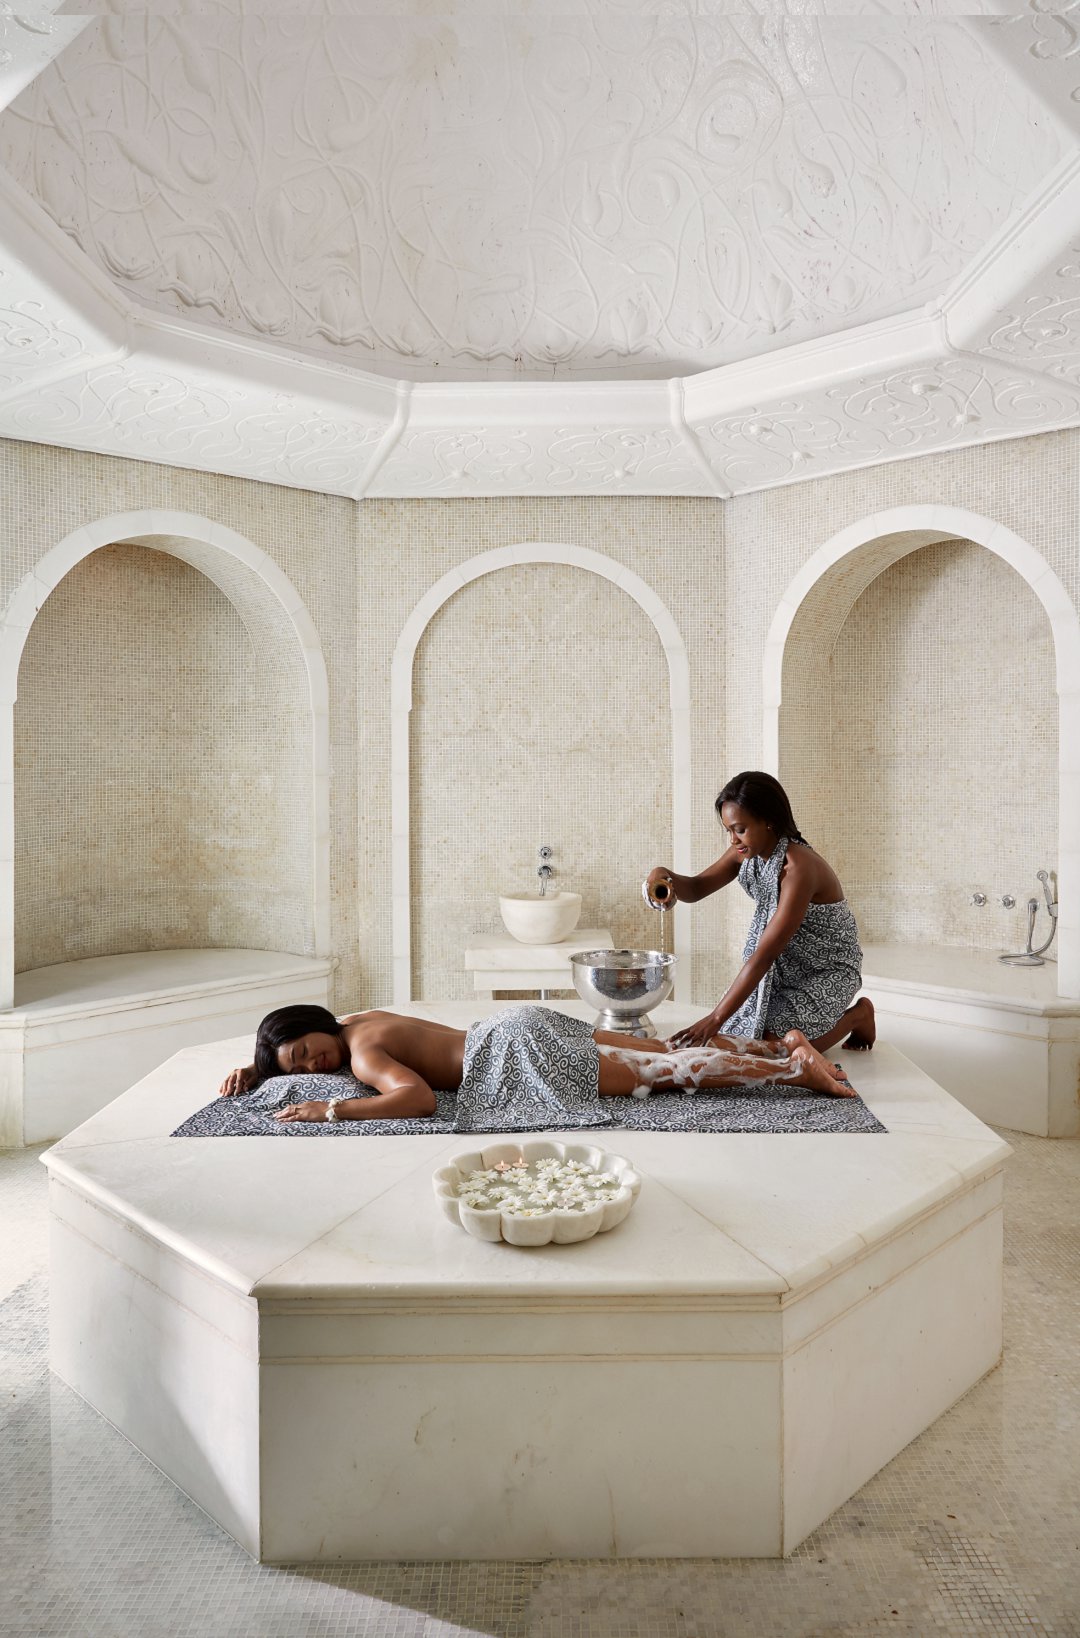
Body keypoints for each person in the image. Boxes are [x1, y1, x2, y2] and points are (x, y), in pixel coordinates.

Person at [216, 1000, 857, 1128]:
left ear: (310, 1028)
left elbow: (416, 1099)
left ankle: (793, 1074)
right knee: (662, 1050)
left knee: (660, 1075)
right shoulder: (356, 1019)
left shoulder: (362, 1054)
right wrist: (259, 1069)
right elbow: (286, 1045)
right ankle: (782, 1046)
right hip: (515, 1025)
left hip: (511, 1056)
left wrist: (332, 1108)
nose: (315, 1062)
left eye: (305, 1051)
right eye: (302, 1066)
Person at [646, 770, 875, 1053]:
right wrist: (662, 874)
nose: (733, 840)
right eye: (729, 830)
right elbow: (695, 888)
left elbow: (765, 954)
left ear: (769, 821)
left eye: (740, 829)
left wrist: (715, 1018)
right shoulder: (746, 852)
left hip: (826, 970)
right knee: (741, 1038)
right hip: (785, 970)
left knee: (781, 1048)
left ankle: (858, 1016)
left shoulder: (799, 868)